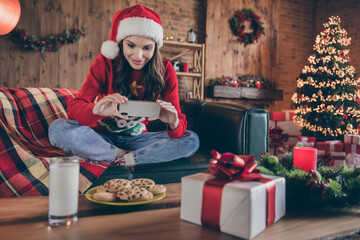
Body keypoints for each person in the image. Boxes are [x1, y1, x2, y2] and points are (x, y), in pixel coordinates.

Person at [48, 4, 200, 166]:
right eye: (131, 45)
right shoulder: (105, 63)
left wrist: (173, 122)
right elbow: (75, 108)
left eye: (147, 48)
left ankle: (129, 158)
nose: (138, 56)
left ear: (156, 47)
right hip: (99, 136)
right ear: (120, 43)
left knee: (191, 140)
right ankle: (118, 155)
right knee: (58, 128)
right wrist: (95, 110)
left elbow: (179, 131)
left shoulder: (166, 70)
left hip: (138, 139)